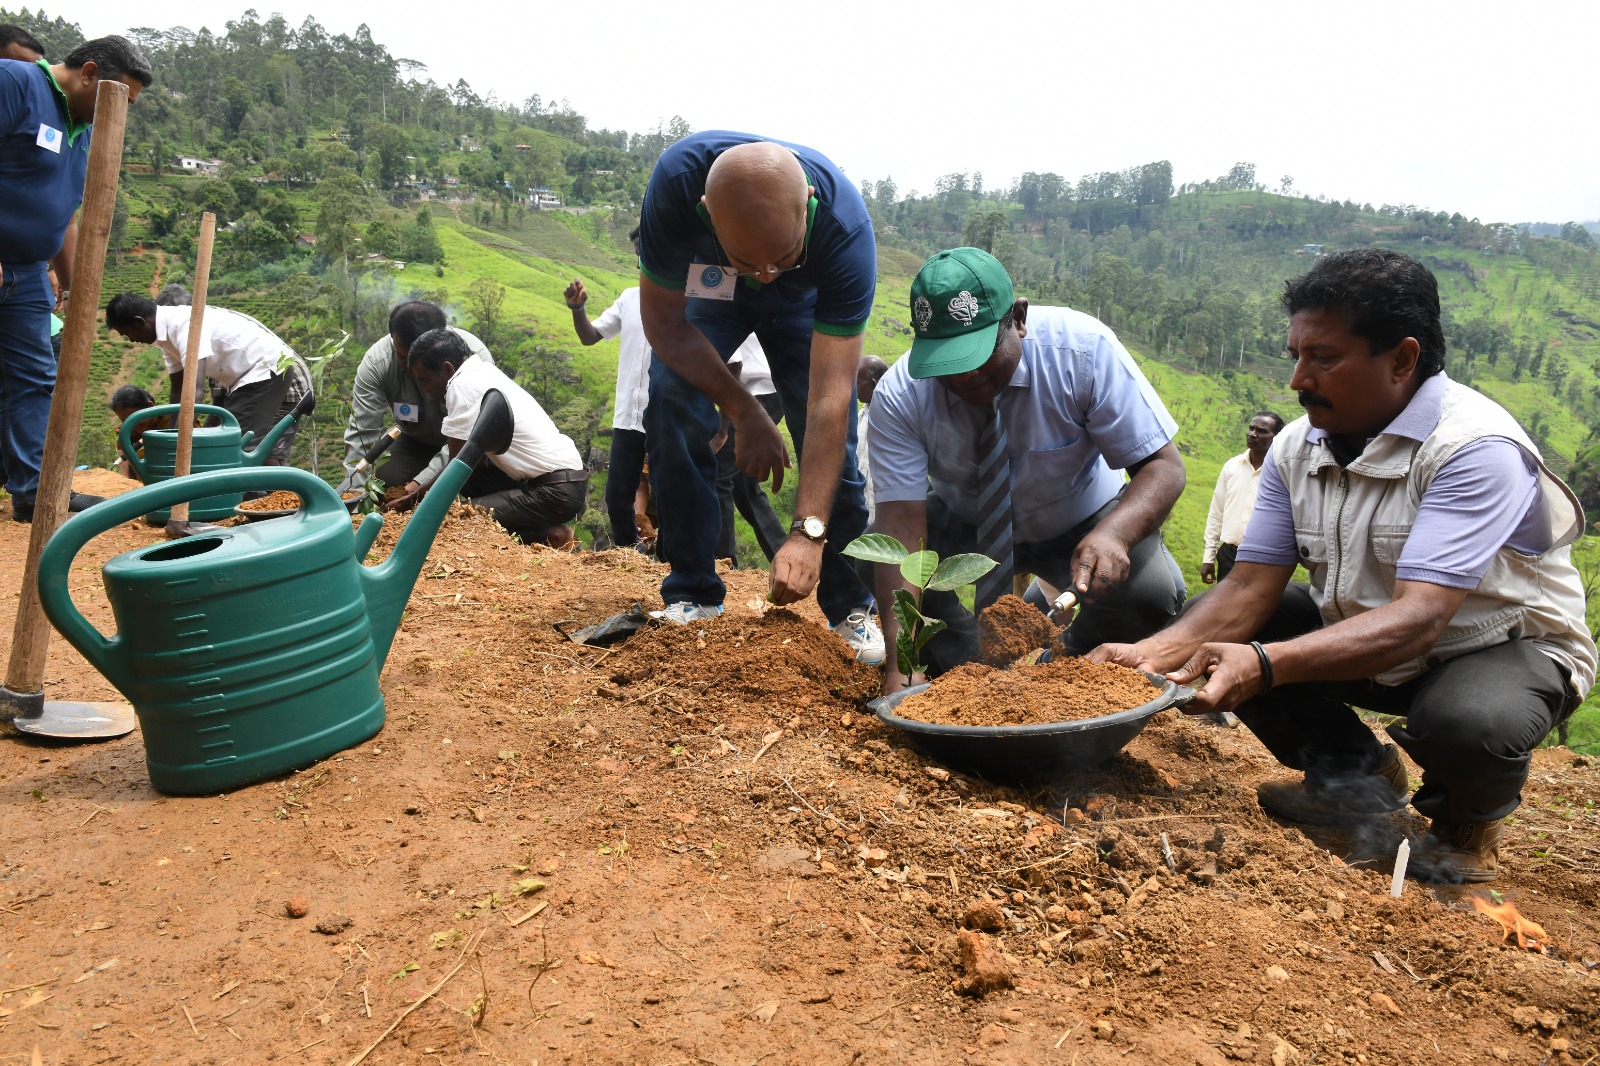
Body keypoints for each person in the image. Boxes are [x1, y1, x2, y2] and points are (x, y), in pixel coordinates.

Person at [1092, 249, 1596, 884]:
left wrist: (1267, 664)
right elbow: (1249, 586)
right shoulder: (1293, 448)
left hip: (1496, 646)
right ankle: (1351, 773)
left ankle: (1463, 824)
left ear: (1403, 359)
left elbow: (1420, 617)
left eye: (1323, 358)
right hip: (1370, 635)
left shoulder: (1474, 449)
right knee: (1219, 621)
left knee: (1471, 723)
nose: (1299, 379)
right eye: (1297, 356)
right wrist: (1150, 652)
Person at [868, 247, 1187, 692]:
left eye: (977, 353)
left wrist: (1115, 534)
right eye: (946, 363)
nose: (964, 378)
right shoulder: (901, 394)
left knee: (1151, 594)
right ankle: (965, 669)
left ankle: (1059, 672)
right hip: (969, 518)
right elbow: (901, 523)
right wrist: (899, 660)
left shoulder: (1081, 351)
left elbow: (1162, 466)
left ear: (1018, 318)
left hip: (1082, 520)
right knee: (879, 553)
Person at [636, 130, 881, 663]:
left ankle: (853, 608)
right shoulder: (677, 188)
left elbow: (830, 398)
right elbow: (664, 327)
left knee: (837, 447)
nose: (766, 275)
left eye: (782, 256)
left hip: (805, 300)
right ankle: (693, 593)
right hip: (714, 285)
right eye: (753, 262)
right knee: (671, 398)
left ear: (809, 207)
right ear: (707, 213)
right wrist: (744, 412)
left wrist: (808, 531)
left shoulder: (844, 230)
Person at [1, 35, 152, 521]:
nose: (120, 115)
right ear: (88, 73)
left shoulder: (82, 128)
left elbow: (65, 215)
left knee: (34, 379)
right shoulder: (16, 83)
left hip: (26, 275)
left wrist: (72, 281)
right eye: (119, 100)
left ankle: (34, 494)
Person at [397, 328, 587, 548]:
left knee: (457, 519)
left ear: (447, 369)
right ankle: (540, 531)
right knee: (469, 488)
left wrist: (415, 500)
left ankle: (550, 536)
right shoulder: (482, 370)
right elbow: (473, 466)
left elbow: (457, 469)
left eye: (425, 380)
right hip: (566, 483)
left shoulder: (460, 386)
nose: (425, 389)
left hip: (553, 493)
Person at [105, 293, 296, 462]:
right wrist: (172, 436)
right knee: (227, 445)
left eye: (128, 333)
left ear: (140, 322)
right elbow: (178, 390)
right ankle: (252, 497)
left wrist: (180, 444)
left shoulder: (185, 325)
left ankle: (253, 499)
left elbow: (194, 389)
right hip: (244, 379)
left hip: (265, 369)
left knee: (233, 448)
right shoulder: (165, 338)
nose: (131, 340)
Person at [342, 302, 493, 498]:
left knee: (474, 492)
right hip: (414, 440)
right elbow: (361, 432)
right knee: (382, 480)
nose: (412, 367)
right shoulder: (377, 363)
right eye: (403, 357)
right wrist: (354, 493)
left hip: (467, 444)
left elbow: (471, 435)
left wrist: (419, 485)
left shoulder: (473, 357)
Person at [566, 230, 650, 549]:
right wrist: (577, 309)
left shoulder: (684, 298)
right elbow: (591, 336)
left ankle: (675, 566)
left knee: (671, 498)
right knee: (617, 498)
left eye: (647, 248)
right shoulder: (629, 298)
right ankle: (632, 554)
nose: (641, 257)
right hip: (628, 416)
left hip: (668, 417)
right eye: (638, 251)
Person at [716, 335, 787, 563]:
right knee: (743, 483)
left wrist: (723, 427)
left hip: (753, 392)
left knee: (718, 474)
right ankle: (783, 555)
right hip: (768, 389)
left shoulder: (711, 300)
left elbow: (733, 362)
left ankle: (723, 560)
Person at [1201, 410, 1284, 584]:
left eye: (1261, 431)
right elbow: (1217, 512)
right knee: (1224, 608)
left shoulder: (1283, 473)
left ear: (1276, 437)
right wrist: (1209, 557)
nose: (1253, 434)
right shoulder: (1232, 467)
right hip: (1229, 555)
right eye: (1251, 428)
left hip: (1265, 561)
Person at [855, 354, 889, 530]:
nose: (854, 388)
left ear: (875, 383)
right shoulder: (862, 414)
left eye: (858, 382)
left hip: (880, 512)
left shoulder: (891, 418)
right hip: (860, 508)